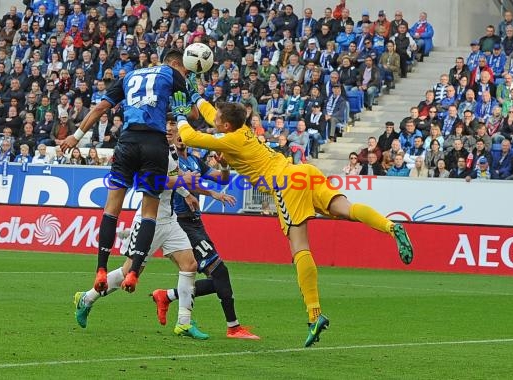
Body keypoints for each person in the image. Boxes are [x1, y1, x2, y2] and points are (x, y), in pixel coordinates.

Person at [173, 82, 414, 347]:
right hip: (304, 171)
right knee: (347, 209)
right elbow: (211, 114)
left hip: (285, 184)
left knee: (300, 247)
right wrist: (195, 96)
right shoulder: (241, 131)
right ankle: (391, 227)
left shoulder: (229, 138)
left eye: (218, 119)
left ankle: (314, 314)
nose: (213, 119)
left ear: (226, 125)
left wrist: (181, 114)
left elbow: (192, 138)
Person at [60, 49, 189, 295]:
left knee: (111, 208)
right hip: (154, 144)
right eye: (185, 69)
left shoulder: (130, 76)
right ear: (174, 64)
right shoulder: (172, 74)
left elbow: (100, 109)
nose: (185, 74)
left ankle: (100, 268)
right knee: (149, 212)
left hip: (127, 141)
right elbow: (191, 112)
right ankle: (133, 272)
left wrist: (76, 137)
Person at [74, 121, 209, 339]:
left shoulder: (172, 152)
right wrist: (182, 182)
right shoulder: (153, 153)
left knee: (190, 264)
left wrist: (187, 195)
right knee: (128, 272)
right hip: (148, 221)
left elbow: (175, 178)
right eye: (165, 130)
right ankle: (86, 299)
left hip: (169, 220)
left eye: (172, 130)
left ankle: (184, 322)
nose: (169, 133)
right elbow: (155, 181)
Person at [150, 129, 259, 340]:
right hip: (181, 223)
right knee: (220, 272)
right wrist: (211, 194)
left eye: (184, 135)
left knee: (216, 278)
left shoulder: (194, 160)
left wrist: (225, 164)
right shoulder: (171, 161)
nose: (181, 138)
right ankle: (233, 327)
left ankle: (166, 295)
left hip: (196, 222)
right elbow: (187, 183)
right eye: (177, 134)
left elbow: (222, 179)